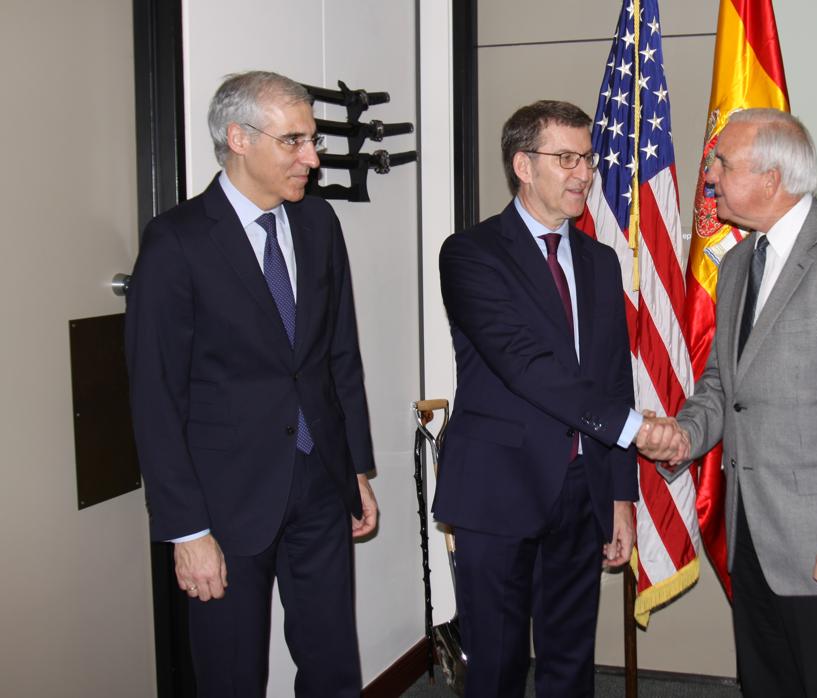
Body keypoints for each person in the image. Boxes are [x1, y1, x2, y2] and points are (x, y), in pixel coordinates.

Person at [643, 108, 817, 697]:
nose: (709, 176)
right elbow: (724, 386)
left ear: (771, 178)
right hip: (755, 538)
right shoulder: (741, 262)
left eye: (721, 163)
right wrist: (685, 435)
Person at [126, 71, 378, 697]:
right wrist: (186, 532)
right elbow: (155, 399)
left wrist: (357, 470)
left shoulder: (319, 225)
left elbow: (338, 357)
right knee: (232, 677)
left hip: (321, 485)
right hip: (223, 505)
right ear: (238, 138)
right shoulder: (176, 242)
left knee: (333, 668)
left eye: (312, 139)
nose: (312, 159)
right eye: (294, 142)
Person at [436, 100, 661, 697]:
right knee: (500, 666)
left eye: (586, 158)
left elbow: (613, 377)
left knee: (570, 662)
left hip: (582, 491)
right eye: (566, 158)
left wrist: (619, 495)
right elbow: (525, 367)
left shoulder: (601, 261)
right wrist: (636, 429)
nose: (584, 173)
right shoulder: (470, 254)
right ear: (523, 165)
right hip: (496, 491)